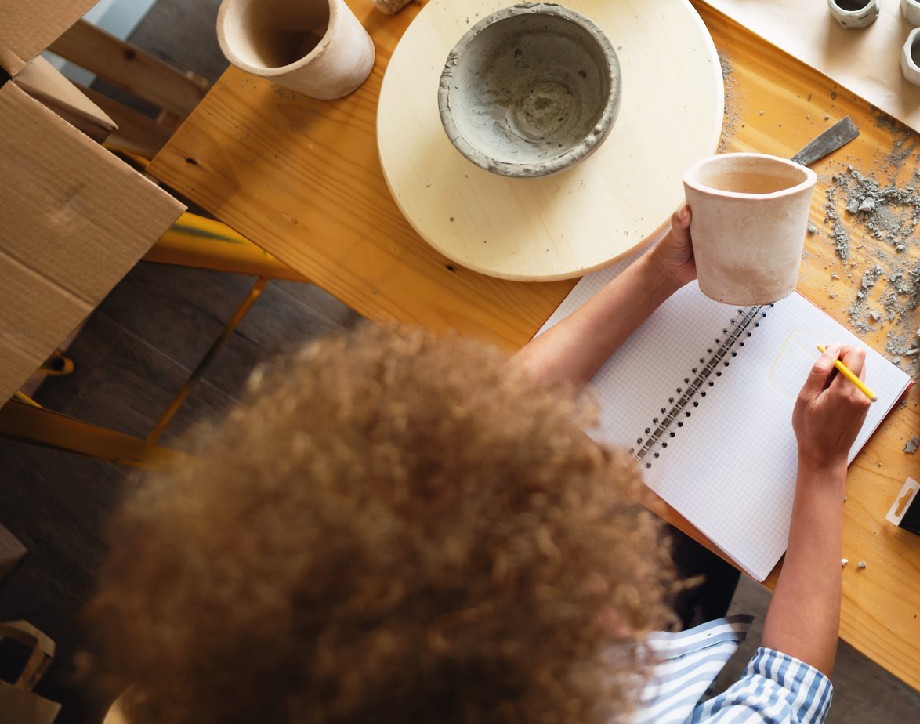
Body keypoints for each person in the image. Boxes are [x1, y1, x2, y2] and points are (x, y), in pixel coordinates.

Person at [88, 207, 871, 724]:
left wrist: (657, 272)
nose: (602, 503)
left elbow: (478, 425)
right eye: (588, 589)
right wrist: (823, 469)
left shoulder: (310, 576)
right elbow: (781, 692)